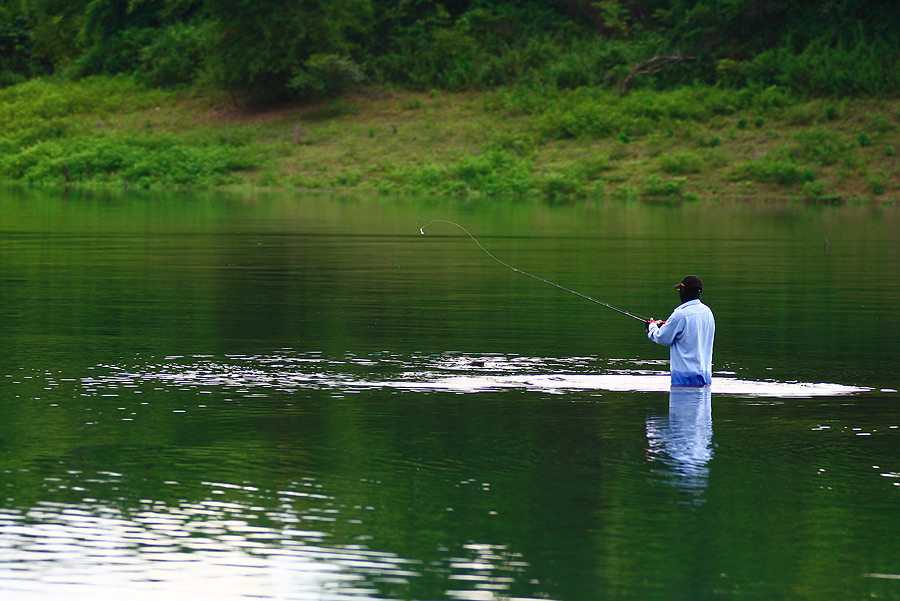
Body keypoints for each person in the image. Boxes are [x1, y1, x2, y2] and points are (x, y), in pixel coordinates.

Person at [646, 275, 715, 387]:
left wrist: (652, 326)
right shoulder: (707, 312)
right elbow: (691, 331)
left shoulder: (680, 315)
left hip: (683, 379)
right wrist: (667, 325)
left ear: (684, 291)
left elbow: (661, 337)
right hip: (705, 376)